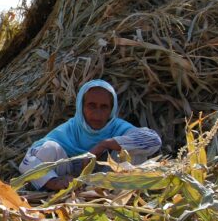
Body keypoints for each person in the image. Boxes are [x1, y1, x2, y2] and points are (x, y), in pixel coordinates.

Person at [19, 79, 161, 191]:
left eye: (104, 107)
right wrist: (54, 182)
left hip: (110, 183)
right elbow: (29, 161)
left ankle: (115, 198)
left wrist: (103, 145)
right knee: (48, 148)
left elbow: (153, 140)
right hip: (69, 182)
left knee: (131, 150)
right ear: (81, 107)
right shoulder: (68, 131)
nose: (97, 113)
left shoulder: (118, 127)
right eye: (91, 105)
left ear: (112, 110)